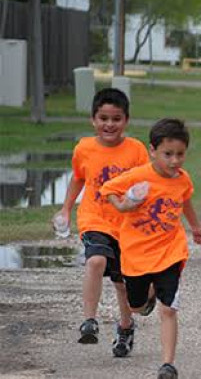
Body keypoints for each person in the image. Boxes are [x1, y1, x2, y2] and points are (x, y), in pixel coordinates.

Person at [100, 118, 201, 379]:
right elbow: (108, 189)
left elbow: (185, 200)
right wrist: (124, 206)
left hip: (171, 251)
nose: (174, 161)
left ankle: (168, 365)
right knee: (136, 307)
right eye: (168, 154)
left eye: (180, 154)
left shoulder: (182, 179)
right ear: (152, 150)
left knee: (169, 309)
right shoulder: (139, 176)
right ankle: (148, 294)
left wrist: (196, 227)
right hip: (136, 254)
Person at [57, 88, 149, 354]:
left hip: (125, 224)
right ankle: (89, 321)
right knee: (96, 260)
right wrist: (65, 209)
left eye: (116, 119)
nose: (109, 124)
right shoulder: (84, 148)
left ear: (126, 120)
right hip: (94, 218)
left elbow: (146, 185)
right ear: (93, 119)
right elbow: (78, 178)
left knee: (122, 284)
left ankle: (126, 328)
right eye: (103, 118)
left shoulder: (136, 150)